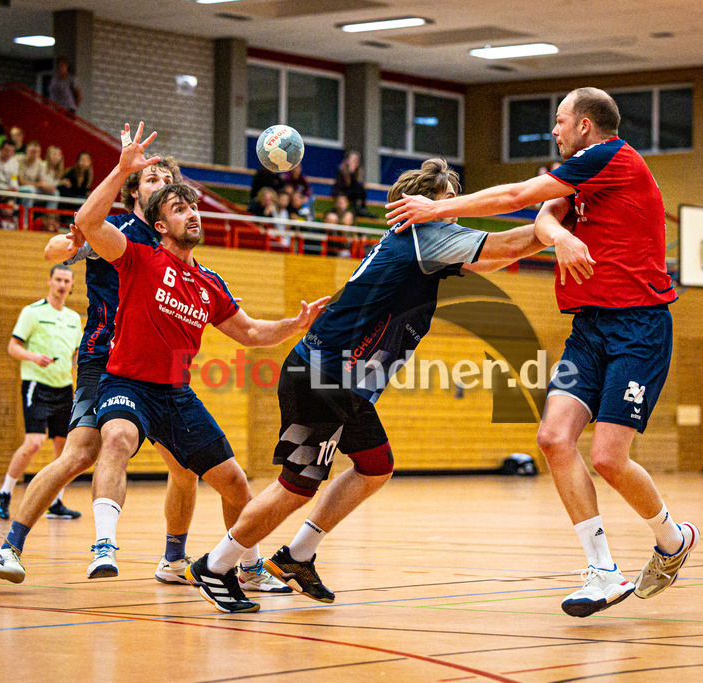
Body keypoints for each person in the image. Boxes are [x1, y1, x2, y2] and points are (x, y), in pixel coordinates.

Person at [385, 87, 698, 618]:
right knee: (553, 438)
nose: (553, 130)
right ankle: (603, 572)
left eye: (559, 120)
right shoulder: (580, 174)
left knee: (607, 457)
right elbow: (546, 217)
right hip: (590, 327)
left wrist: (438, 208)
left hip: (639, 327)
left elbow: (518, 197)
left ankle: (673, 538)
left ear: (585, 126)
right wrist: (562, 238)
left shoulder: (612, 158)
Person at [187, 157, 548, 613]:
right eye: (448, 198)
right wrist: (555, 218)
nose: (455, 207)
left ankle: (296, 556)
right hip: (325, 375)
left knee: (375, 466)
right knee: (297, 484)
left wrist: (544, 231)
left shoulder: (419, 240)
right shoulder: (427, 236)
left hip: (343, 382)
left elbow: (492, 261)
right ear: (420, 203)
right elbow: (505, 242)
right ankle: (215, 566)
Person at [0, 143, 289, 594]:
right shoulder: (120, 229)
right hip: (104, 358)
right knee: (81, 453)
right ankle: (12, 545)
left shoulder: (177, 242)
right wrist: (68, 245)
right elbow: (58, 247)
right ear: (133, 192)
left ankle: (172, 559)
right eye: (151, 179)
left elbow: (224, 313)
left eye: (167, 181)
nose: (161, 184)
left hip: (155, 370)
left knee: (184, 469)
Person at [67, 123, 329, 584]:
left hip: (176, 394)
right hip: (126, 381)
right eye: (179, 208)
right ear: (160, 225)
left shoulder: (210, 283)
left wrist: (295, 325)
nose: (193, 214)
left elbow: (248, 333)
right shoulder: (137, 256)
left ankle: (247, 568)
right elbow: (88, 223)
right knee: (117, 441)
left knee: (235, 483)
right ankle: (104, 545)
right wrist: (120, 170)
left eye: (194, 207)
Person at [0, 264, 83, 521]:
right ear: (50, 281)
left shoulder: (73, 319)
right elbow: (13, 346)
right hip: (37, 385)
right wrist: (33, 357)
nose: (62, 285)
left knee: (64, 449)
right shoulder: (32, 312)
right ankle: (4, 493)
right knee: (33, 443)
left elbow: (76, 355)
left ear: (72, 284)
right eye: (58, 280)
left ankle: (54, 502)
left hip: (64, 388)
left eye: (67, 281)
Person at [16, 140, 55, 209]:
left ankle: (49, 217)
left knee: (55, 193)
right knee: (30, 190)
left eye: (38, 152)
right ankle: (26, 217)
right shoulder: (19, 160)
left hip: (34, 189)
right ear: (26, 151)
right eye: (33, 151)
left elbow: (42, 182)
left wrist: (48, 187)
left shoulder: (40, 163)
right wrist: (39, 184)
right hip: (18, 188)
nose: (35, 154)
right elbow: (21, 182)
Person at [332, 150, 371, 218]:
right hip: (341, 201)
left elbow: (359, 193)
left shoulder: (358, 175)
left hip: (353, 205)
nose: (354, 163)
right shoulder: (341, 173)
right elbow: (338, 189)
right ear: (347, 161)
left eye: (356, 161)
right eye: (352, 160)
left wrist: (352, 173)